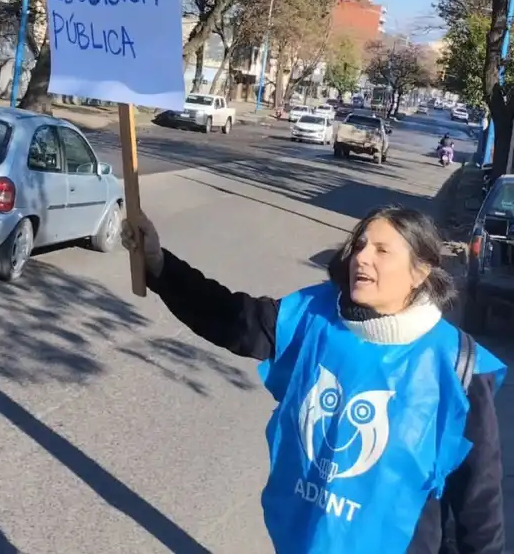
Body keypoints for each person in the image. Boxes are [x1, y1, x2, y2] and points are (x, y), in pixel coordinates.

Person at [122, 207, 506, 554]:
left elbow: (479, 503)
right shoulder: (313, 316)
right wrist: (158, 264)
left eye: (382, 251)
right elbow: (228, 317)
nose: (362, 258)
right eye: (359, 246)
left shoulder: (457, 366)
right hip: (303, 539)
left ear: (420, 272)